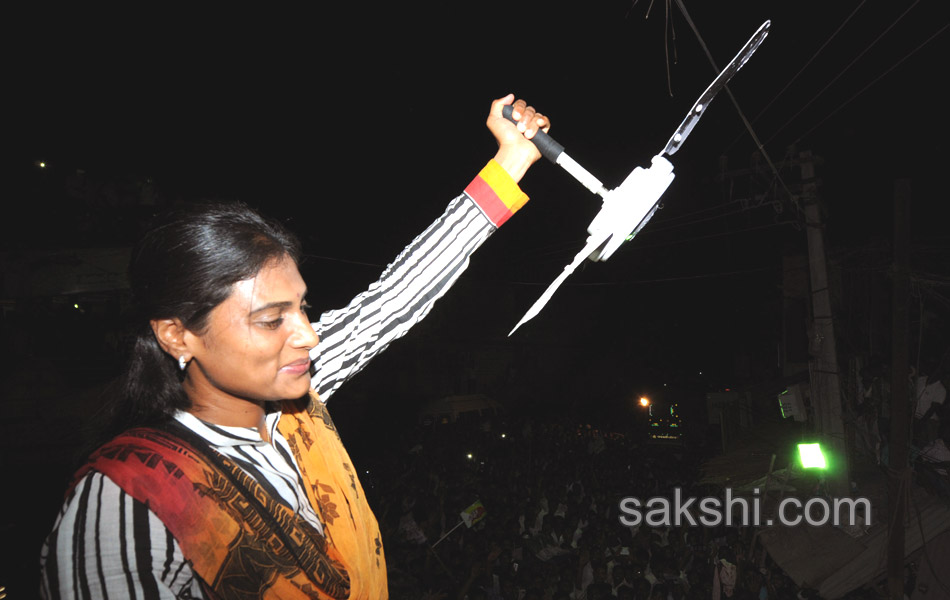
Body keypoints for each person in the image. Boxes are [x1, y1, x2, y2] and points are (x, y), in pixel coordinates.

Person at [39, 94, 552, 599]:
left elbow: (395, 299)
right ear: (177, 334)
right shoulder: (125, 503)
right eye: (270, 320)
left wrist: (510, 161)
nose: (307, 335)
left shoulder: (293, 401)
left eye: (302, 307)